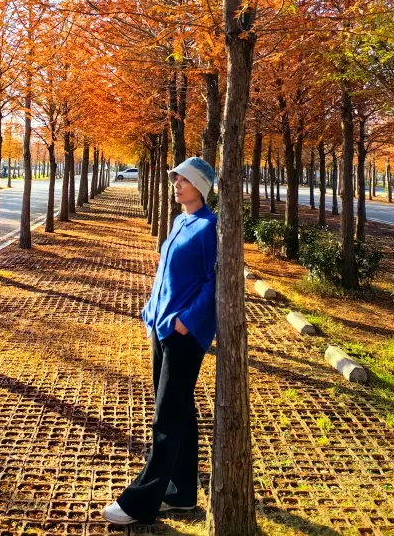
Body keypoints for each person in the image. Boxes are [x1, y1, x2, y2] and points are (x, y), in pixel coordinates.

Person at [102, 156, 217, 525]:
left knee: (166, 416)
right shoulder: (180, 221)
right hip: (162, 327)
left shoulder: (210, 228)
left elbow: (215, 282)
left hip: (185, 334)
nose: (176, 184)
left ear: (200, 187)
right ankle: (181, 493)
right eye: (175, 178)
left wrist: (188, 320)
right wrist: (151, 309)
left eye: (183, 180)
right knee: (180, 410)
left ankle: (140, 502)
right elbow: (164, 271)